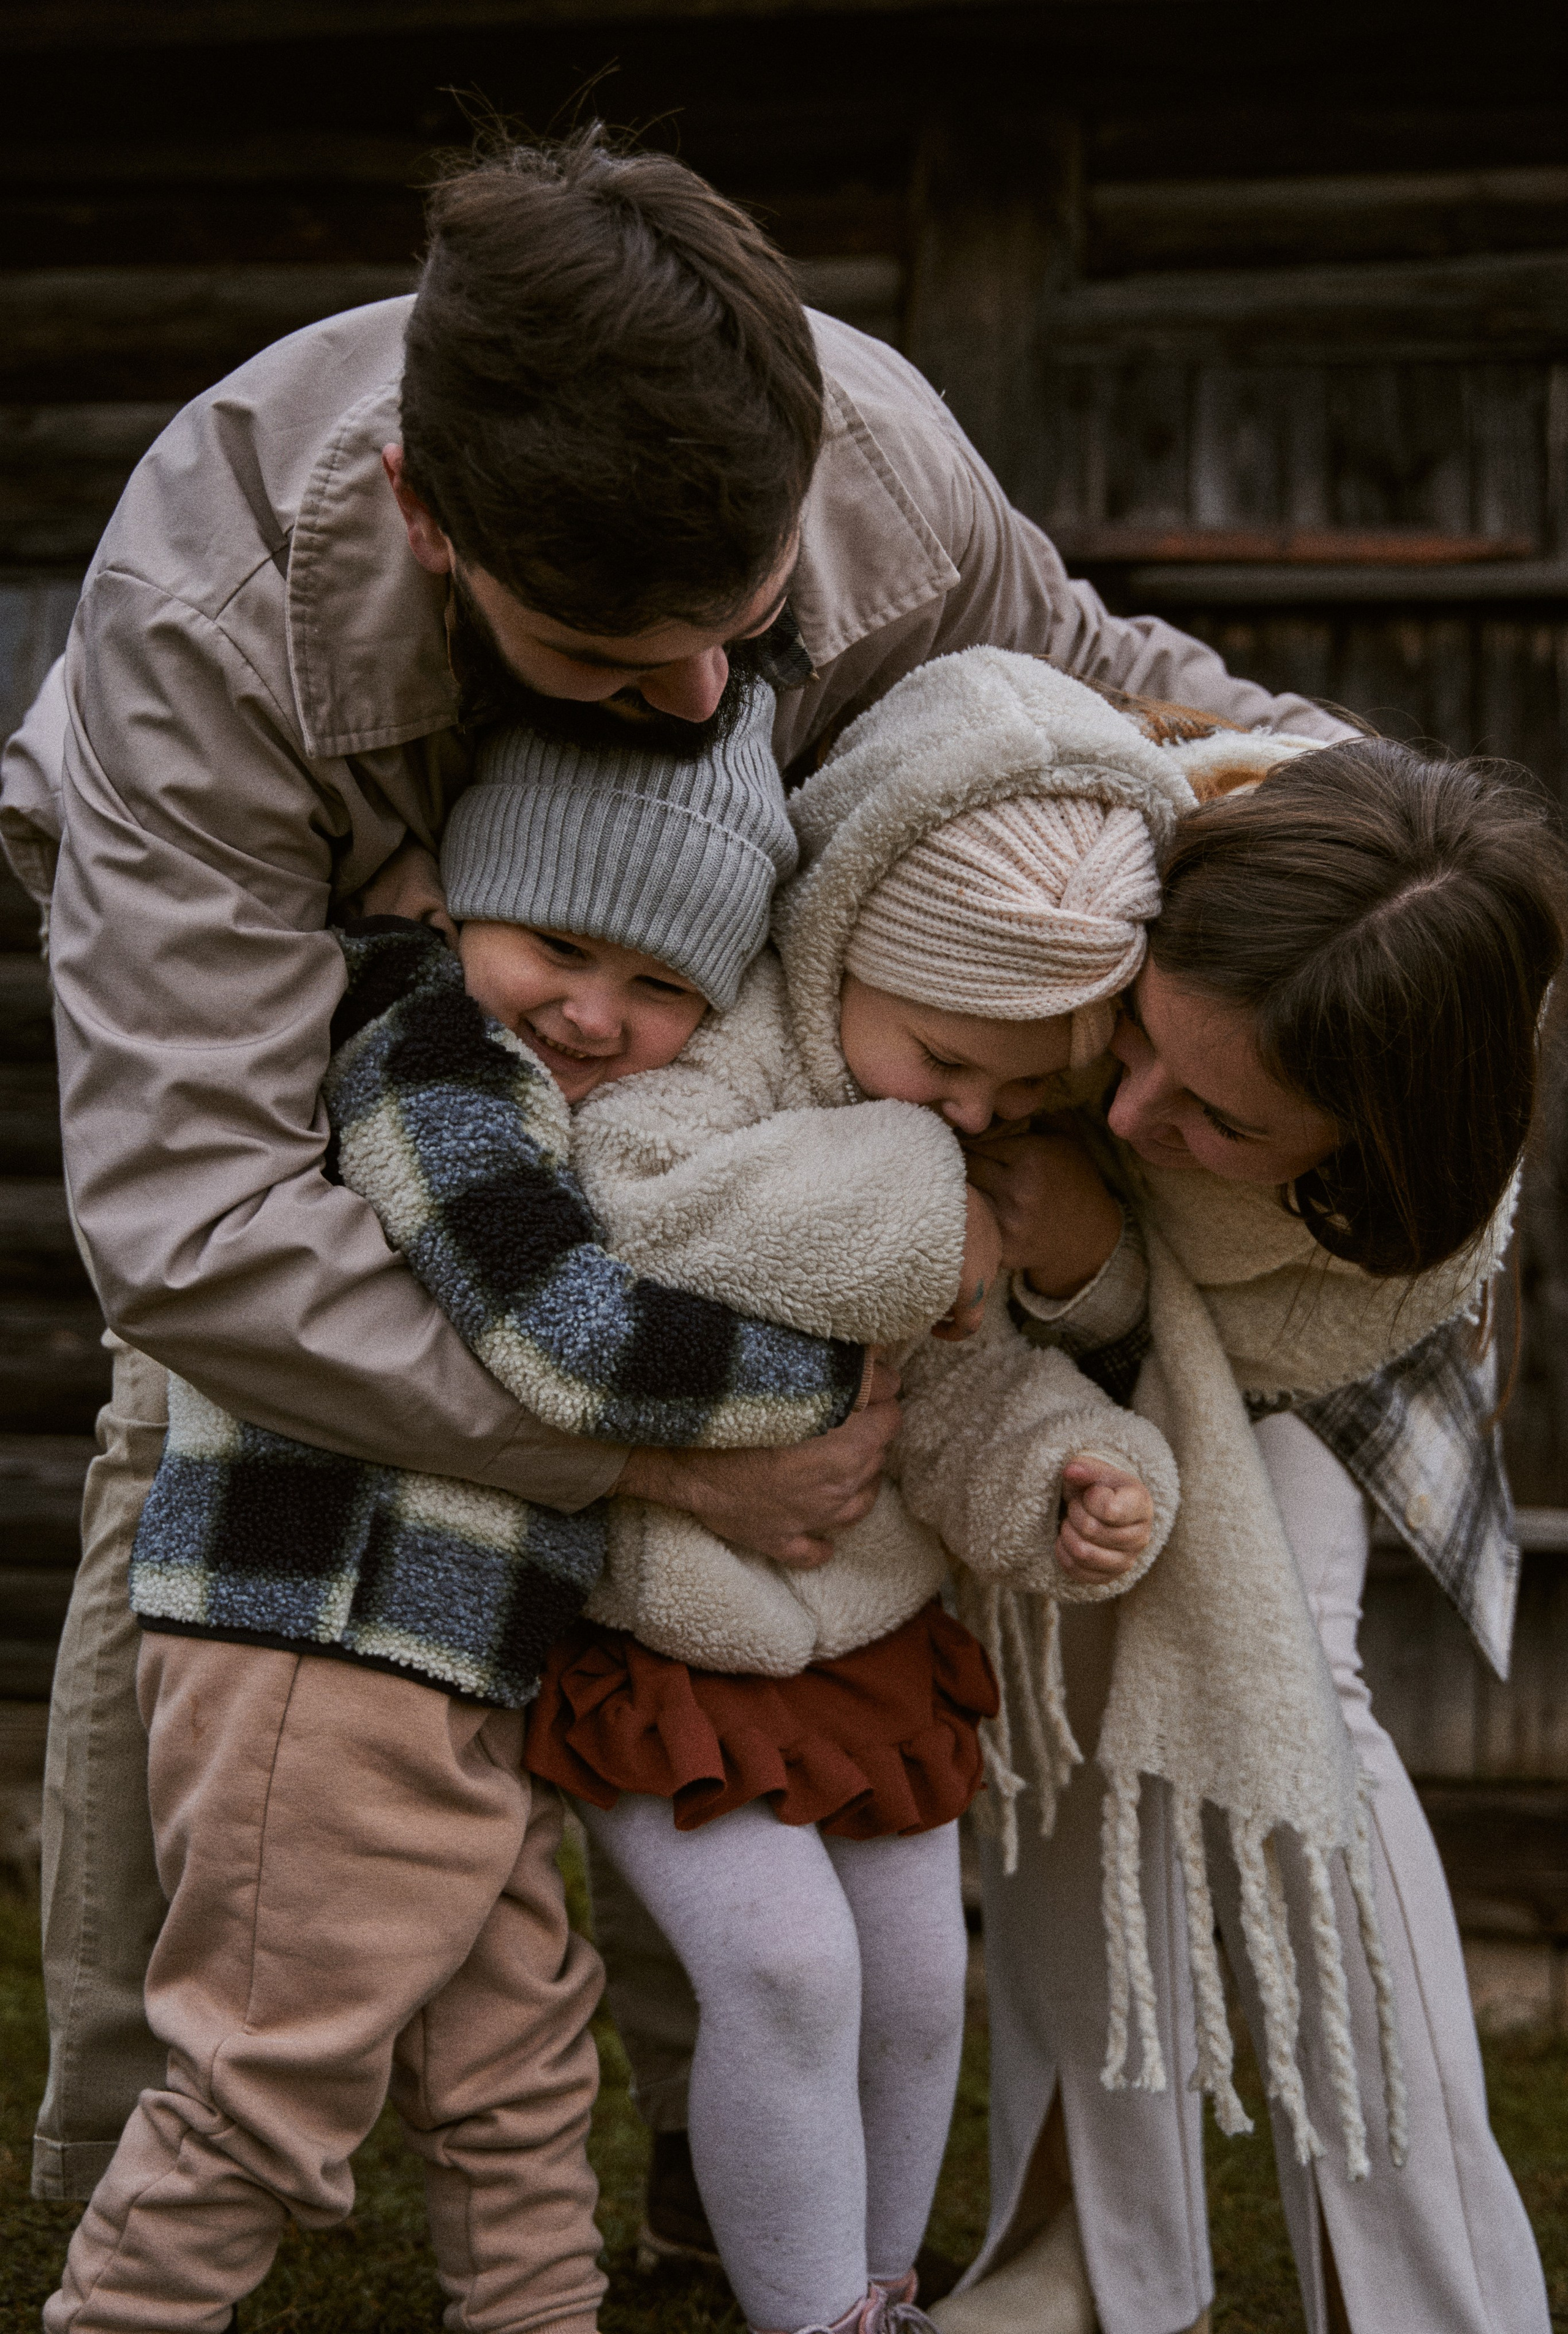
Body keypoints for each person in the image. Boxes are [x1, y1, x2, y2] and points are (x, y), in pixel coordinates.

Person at [0, 125, 1349, 2213]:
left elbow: (1113, 693)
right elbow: (197, 1234)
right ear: (431, 525)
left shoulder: (875, 458)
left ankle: (722, 2206)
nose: (710, 700)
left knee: (714, 1671)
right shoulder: (214, 617)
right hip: (285, 1060)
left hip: (694, 1044)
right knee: (209, 1480)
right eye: (620, 667)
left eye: (745, 632)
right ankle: (147, 2166)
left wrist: (1405, 848)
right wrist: (650, 1451)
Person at [44, 678, 894, 2333]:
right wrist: (840, 1374)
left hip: (449, 1655)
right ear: (461, 898)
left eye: (659, 989)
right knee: (269, 2081)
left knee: (517, 2059)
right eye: (559, 949)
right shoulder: (428, 1047)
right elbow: (563, 1337)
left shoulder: (551, 1088)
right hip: (319, 1643)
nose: (592, 1012)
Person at [516, 649, 1200, 2334]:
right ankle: (809, 2313)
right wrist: (919, 1189)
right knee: (786, 1972)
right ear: (842, 951)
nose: (975, 1115)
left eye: (1017, 1094)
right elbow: (631, 1210)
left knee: (911, 1984)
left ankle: (872, 2292)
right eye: (946, 1062)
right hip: (670, 1627)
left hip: (866, 1640)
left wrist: (1069, 1475)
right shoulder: (712, 1053)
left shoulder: (962, 1123)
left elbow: (961, 1391)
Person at [934, 737, 1566, 2334]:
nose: (1136, 1109)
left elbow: (1239, 1354)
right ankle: (1085, 2242)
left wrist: (1099, 1264)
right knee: (1066, 1715)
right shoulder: (1164, 834)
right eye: (1138, 1042)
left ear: (1354, 1149)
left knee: (1292, 1727)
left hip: (1303, 1380)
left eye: (1219, 1118)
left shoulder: (1409, 1216)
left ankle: (1432, 2296)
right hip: (1029, 1359)